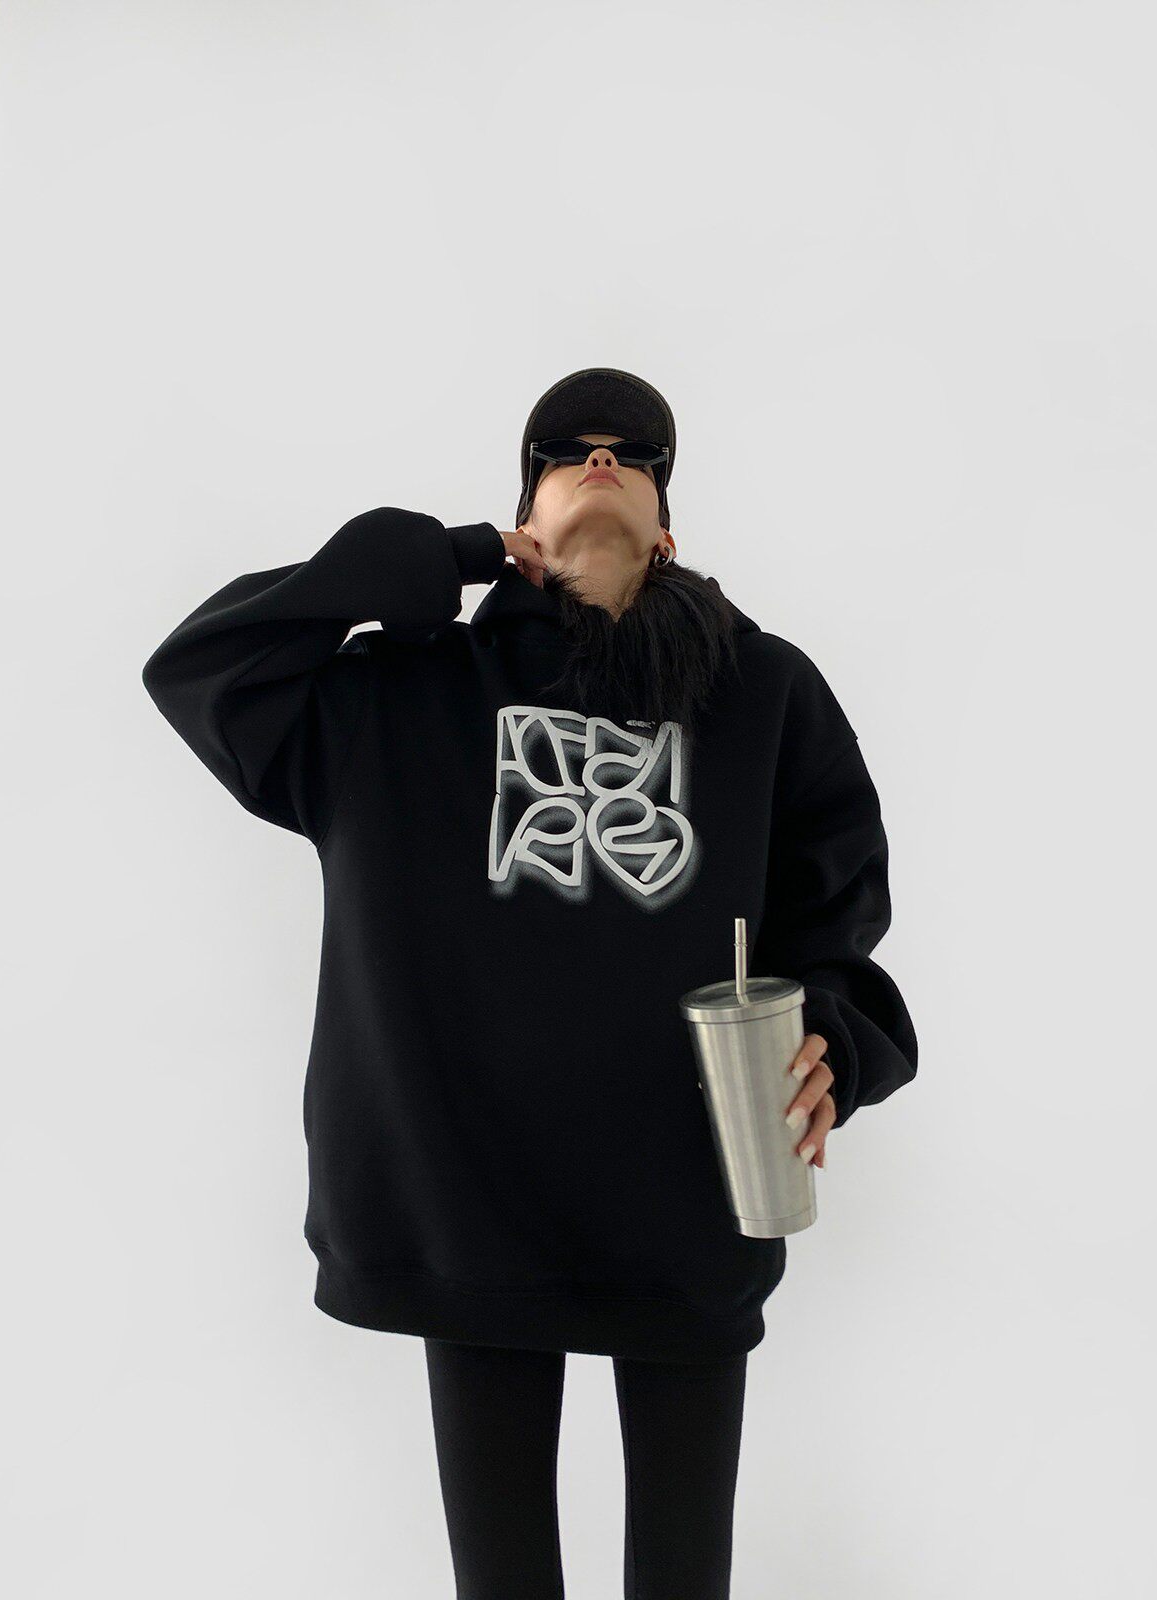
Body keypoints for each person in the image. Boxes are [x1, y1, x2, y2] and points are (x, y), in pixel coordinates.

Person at [141, 367, 918, 1600]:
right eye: (566, 450)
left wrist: (836, 1038)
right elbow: (205, 666)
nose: (601, 458)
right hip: (468, 1197)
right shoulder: (398, 695)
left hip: (690, 1190)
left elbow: (839, 910)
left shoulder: (764, 692)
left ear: (667, 531)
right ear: (523, 520)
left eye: (634, 453)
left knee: (685, 1578)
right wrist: (435, 557)